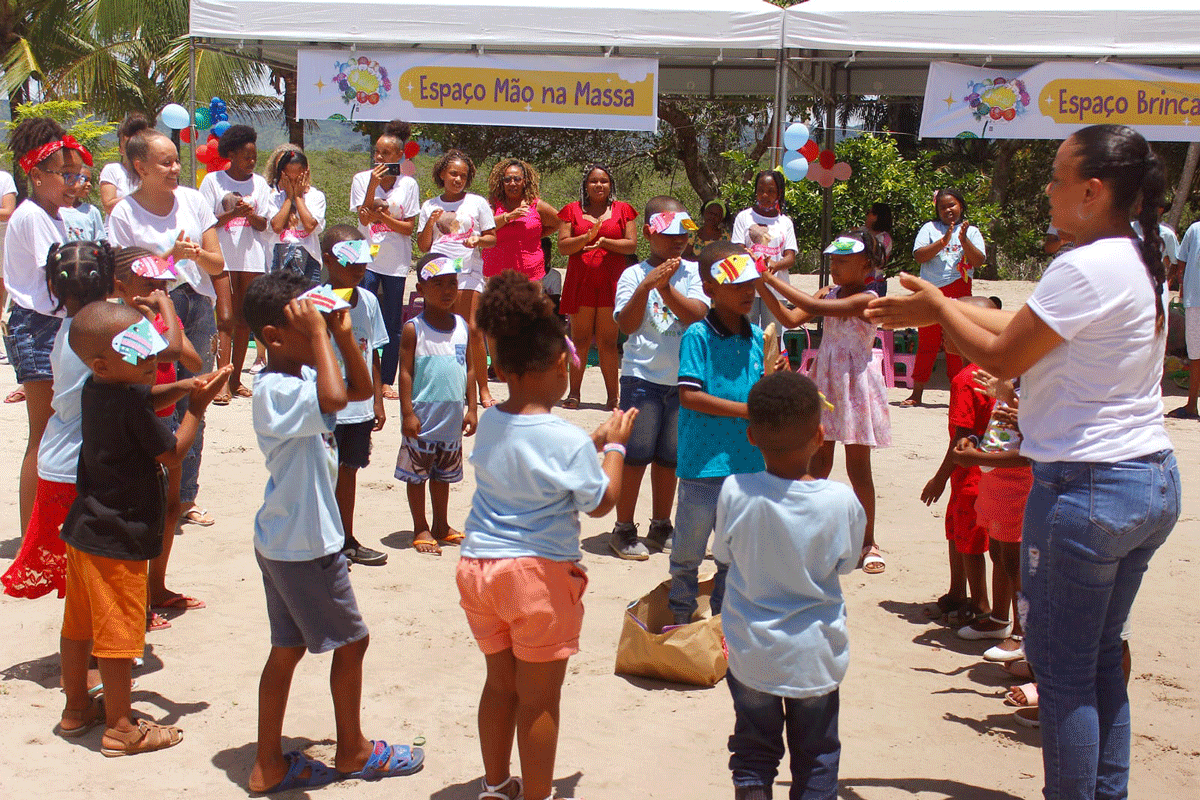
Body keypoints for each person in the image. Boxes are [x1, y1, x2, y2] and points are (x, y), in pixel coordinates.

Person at [867, 124, 1181, 799]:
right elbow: (1011, 336)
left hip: (1087, 489)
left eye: (1059, 177)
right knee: (1097, 661)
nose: (1047, 188)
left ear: (1092, 192)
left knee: (1064, 674)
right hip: (1146, 478)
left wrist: (932, 306)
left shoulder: (1085, 265)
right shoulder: (1132, 258)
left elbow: (1003, 357)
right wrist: (935, 307)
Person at [244, 271, 423, 792]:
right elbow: (335, 400)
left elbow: (360, 392)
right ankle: (352, 750)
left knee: (288, 648)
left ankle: (267, 763)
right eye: (307, 324)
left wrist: (342, 334)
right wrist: (324, 338)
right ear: (275, 336)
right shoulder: (276, 388)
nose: (318, 328)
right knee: (352, 643)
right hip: (306, 544)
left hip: (285, 539)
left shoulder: (297, 376)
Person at [458, 270, 633, 800]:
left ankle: (494, 786)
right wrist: (615, 447)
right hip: (537, 576)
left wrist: (590, 443)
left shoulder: (491, 420)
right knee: (540, 701)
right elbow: (603, 502)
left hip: (478, 570)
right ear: (561, 365)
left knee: (500, 686)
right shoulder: (566, 440)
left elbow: (537, 452)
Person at [56, 300, 229, 754]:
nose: (154, 362)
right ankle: (122, 728)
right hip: (120, 537)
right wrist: (197, 406)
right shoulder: (128, 401)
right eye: (142, 355)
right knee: (117, 637)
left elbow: (141, 398)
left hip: (85, 530)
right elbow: (172, 452)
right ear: (102, 363)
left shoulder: (98, 388)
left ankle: (76, 709)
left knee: (78, 626)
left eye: (155, 352)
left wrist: (186, 384)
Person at [713, 370, 865, 800]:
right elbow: (848, 563)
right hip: (815, 655)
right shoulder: (840, 501)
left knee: (753, 754)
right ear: (820, 436)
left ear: (751, 436)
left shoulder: (735, 490)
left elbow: (723, 555)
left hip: (751, 652)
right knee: (816, 757)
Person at [107, 130, 225, 529]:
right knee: (156, 400)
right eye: (165, 162)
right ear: (140, 167)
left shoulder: (194, 200)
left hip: (195, 304)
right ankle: (156, 495)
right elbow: (126, 274)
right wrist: (169, 257)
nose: (175, 168)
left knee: (197, 394)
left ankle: (185, 496)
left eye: (177, 160)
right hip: (150, 312)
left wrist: (196, 255)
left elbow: (217, 264)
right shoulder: (124, 213)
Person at [756, 231, 892, 574]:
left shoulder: (868, 298)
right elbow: (789, 318)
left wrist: (768, 277)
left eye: (843, 261)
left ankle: (867, 541)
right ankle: (809, 535)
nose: (835, 267)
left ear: (866, 265)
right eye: (833, 260)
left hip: (855, 384)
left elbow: (816, 309)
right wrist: (761, 287)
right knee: (817, 462)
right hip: (827, 381)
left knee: (858, 468)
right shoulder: (828, 291)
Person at [671, 243, 779, 627]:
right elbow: (689, 395)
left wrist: (772, 381)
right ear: (710, 289)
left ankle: (724, 623)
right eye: (738, 286)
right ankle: (680, 621)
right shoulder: (698, 336)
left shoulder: (755, 336)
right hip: (704, 464)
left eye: (751, 284)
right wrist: (746, 411)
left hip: (746, 464)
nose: (748, 292)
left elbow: (757, 389)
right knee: (687, 551)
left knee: (732, 554)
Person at [2, 241, 115, 599]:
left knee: (77, 580)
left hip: (55, 463)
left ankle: (81, 650)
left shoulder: (64, 334)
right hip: (91, 468)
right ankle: (110, 649)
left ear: (53, 286)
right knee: (102, 572)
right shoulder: (109, 330)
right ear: (111, 283)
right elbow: (169, 355)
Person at [3, 117, 93, 537]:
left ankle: (51, 529)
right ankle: (30, 539)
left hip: (62, 325)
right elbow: (60, 277)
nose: (73, 182)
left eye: (78, 173)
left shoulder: (64, 215)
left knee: (62, 427)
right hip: (35, 325)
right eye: (65, 174)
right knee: (41, 432)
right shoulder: (32, 216)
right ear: (36, 176)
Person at [608, 197, 708, 560]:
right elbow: (627, 324)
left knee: (670, 457)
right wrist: (646, 287)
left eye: (684, 232)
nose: (678, 239)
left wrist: (666, 289)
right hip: (642, 377)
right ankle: (623, 528)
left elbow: (698, 315)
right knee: (635, 455)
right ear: (650, 232)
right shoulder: (632, 275)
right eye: (669, 233)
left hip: (683, 380)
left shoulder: (695, 274)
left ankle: (661, 524)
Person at [111, 247, 204, 620]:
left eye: (163, 285)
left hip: (164, 420)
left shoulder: (166, 318)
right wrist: (161, 320)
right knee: (140, 513)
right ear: (122, 286)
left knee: (168, 509)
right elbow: (168, 355)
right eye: (148, 284)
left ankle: (157, 586)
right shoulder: (116, 322)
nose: (158, 292)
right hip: (135, 425)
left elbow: (193, 361)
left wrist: (168, 321)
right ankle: (135, 599)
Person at [919, 297, 1001, 624]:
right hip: (995, 474)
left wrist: (939, 478)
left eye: (950, 327)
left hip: (970, 477)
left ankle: (978, 605)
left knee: (968, 540)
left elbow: (961, 439)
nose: (943, 335)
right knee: (959, 533)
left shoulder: (966, 379)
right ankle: (957, 593)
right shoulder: (1002, 372)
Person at [397, 252, 477, 556]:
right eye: (438, 284)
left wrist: (472, 407)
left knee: (443, 474)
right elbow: (405, 372)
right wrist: (407, 412)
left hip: (452, 415)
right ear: (420, 288)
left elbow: (469, 367)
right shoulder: (414, 329)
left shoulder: (462, 326)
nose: (447, 290)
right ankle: (421, 526)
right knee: (418, 474)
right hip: (423, 414)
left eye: (452, 283)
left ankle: (441, 524)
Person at [320, 226, 390, 566]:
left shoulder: (371, 301)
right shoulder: (314, 303)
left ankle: (346, 539)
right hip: (326, 408)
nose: (359, 269)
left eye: (363, 262)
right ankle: (323, 544)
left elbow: (373, 353)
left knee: (349, 473)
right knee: (322, 475)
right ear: (328, 261)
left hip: (359, 409)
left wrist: (376, 400)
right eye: (350, 262)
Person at [950, 373, 1032, 658]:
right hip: (995, 482)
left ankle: (1023, 634)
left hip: (1016, 485)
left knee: (1015, 562)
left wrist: (977, 459)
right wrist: (974, 442)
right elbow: (998, 434)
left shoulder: (1035, 394)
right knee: (998, 552)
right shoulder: (1010, 387)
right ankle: (999, 620)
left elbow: (1031, 453)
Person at [417, 149, 497, 408]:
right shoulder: (430, 206)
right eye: (453, 174)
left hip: (468, 272)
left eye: (463, 175)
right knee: (443, 330)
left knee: (473, 329)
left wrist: (478, 240)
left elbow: (492, 237)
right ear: (442, 174)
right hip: (439, 273)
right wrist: (430, 222)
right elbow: (423, 245)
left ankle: (482, 389)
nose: (458, 179)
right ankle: (449, 385)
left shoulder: (477, 203)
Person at [556, 164, 639, 410]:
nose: (599, 185)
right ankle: (574, 393)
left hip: (611, 283)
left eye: (603, 181)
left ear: (610, 184)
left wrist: (605, 241)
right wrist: (586, 237)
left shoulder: (624, 210)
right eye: (593, 181)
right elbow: (563, 247)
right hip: (580, 282)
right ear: (586, 185)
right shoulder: (571, 211)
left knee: (608, 342)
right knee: (579, 339)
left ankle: (613, 397)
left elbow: (631, 245)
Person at [200, 125, 271, 401]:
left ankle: (236, 379)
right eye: (246, 157)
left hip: (251, 258)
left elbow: (264, 224)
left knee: (244, 321)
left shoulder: (260, 184)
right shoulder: (213, 181)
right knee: (226, 318)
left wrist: (250, 215)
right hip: (222, 256)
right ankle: (221, 381)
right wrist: (231, 214)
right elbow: (206, 222)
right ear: (231, 154)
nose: (251, 162)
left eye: (254, 157)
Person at [350, 120, 420, 401]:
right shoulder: (361, 178)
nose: (379, 158)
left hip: (396, 263)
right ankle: (363, 373)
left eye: (386, 154)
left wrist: (385, 218)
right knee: (363, 316)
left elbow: (408, 228)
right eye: (377, 152)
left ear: (399, 156)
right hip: (367, 260)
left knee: (392, 321)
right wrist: (372, 187)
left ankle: (387, 379)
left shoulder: (409, 184)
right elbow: (363, 218)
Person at [902, 188, 986, 407]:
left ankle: (958, 394)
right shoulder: (929, 229)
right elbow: (919, 256)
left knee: (956, 344)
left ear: (961, 206)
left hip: (959, 290)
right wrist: (943, 241)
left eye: (952, 205)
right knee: (927, 342)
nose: (948, 210)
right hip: (931, 291)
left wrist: (963, 240)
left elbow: (978, 261)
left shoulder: (972, 231)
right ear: (937, 210)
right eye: (942, 207)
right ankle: (917, 393)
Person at [731, 170, 797, 335]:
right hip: (747, 286)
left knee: (772, 336)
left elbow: (790, 258)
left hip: (775, 288)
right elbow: (736, 249)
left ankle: (770, 363)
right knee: (745, 334)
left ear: (779, 193)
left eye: (771, 191)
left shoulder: (785, 222)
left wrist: (776, 264)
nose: (764, 195)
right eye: (760, 190)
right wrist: (749, 257)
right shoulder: (744, 217)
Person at [482, 158, 560, 283]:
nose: (512, 183)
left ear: (525, 181)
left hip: (530, 276)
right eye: (507, 180)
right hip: (495, 275)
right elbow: (485, 228)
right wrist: (508, 217)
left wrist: (538, 234)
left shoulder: (536, 205)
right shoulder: (492, 203)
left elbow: (559, 221)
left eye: (517, 179)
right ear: (501, 183)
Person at [267, 145, 326, 285]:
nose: (293, 183)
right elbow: (276, 226)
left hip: (309, 257)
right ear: (282, 174)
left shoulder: (316, 196)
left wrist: (298, 197)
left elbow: (310, 225)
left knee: (308, 299)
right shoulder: (274, 197)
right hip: (280, 254)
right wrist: (288, 198)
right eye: (289, 178)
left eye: (297, 178)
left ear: (306, 172)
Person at [1171, 216, 1200, 419]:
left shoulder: (1194, 229)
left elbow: (1182, 262)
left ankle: (1191, 406)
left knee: (1196, 355)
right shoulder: (1194, 229)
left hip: (1195, 299)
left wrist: (1182, 289)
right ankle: (1191, 406)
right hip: (1194, 299)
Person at [98, 113, 150, 214]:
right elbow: (109, 207)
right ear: (121, 150)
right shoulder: (113, 170)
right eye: (128, 146)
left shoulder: (152, 171)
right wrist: (138, 194)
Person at [65, 164, 106, 242]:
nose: (89, 184)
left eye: (90, 181)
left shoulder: (91, 211)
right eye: (85, 180)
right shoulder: (57, 211)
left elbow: (100, 240)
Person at [864, 201, 893, 296]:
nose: (866, 215)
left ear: (877, 217)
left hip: (874, 284)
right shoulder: (862, 232)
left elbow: (877, 260)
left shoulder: (884, 238)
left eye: (869, 212)